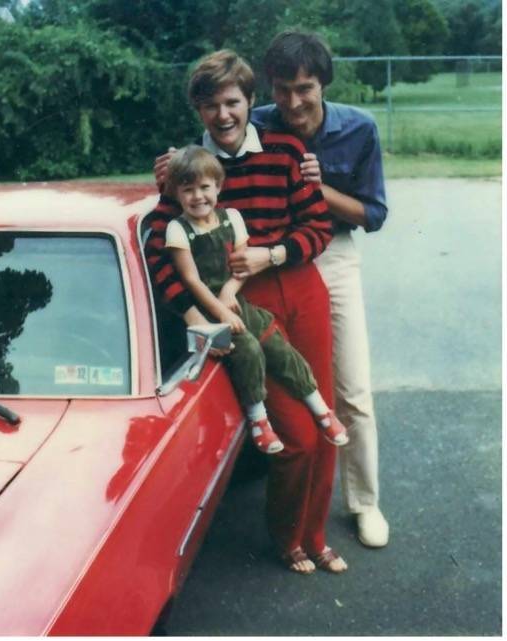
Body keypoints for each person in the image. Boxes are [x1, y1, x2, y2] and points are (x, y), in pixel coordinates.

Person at [146, 50, 347, 574]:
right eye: (210, 106)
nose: (223, 115)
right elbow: (159, 252)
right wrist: (192, 314)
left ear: (250, 102)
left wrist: (271, 253)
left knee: (324, 417)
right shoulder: (189, 168)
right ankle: (288, 537)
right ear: (198, 110)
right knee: (297, 435)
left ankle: (316, 535)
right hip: (243, 305)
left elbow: (318, 227)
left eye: (232, 102)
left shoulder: (285, 150)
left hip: (301, 289)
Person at [250, 30, 389, 548]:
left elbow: (373, 214)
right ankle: (286, 499)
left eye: (304, 88)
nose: (292, 102)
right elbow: (207, 170)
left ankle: (365, 503)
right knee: (276, 383)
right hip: (269, 258)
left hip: (331, 252)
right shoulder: (254, 122)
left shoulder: (358, 127)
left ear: (323, 84)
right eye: (282, 89)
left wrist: (319, 189)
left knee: (352, 390)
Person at [164, 144, 349, 455]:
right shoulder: (178, 229)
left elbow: (242, 264)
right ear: (176, 193)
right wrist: (221, 311)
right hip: (208, 311)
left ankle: (321, 410)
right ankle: (258, 419)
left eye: (204, 187)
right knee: (248, 349)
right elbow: (192, 280)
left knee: (278, 345)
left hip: (234, 300)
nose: (198, 196)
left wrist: (229, 292)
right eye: (188, 190)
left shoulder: (231, 218)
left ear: (218, 187)